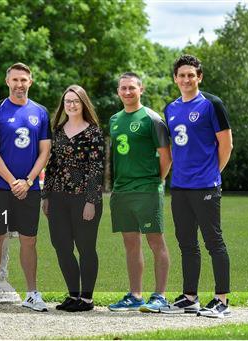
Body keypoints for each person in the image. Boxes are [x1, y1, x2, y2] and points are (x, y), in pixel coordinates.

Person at [160, 55, 233, 318]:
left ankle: (221, 300)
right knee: (187, 243)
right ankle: (190, 297)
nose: (187, 79)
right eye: (182, 75)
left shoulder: (212, 104)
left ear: (199, 77)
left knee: (214, 242)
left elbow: (226, 145)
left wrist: (212, 173)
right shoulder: (171, 108)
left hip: (205, 186)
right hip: (179, 186)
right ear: (175, 78)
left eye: (191, 75)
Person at [0, 62, 51, 311]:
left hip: (29, 188)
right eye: (15, 80)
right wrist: (12, 182)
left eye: (24, 80)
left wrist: (29, 181)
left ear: (30, 82)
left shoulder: (40, 112)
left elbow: (45, 151)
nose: (19, 85)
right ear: (7, 81)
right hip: (0, 187)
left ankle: (32, 293)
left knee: (29, 240)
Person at [107, 73, 172, 313]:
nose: (127, 92)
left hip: (146, 190)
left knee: (156, 242)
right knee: (131, 244)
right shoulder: (114, 119)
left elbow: (166, 157)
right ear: (118, 91)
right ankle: (135, 295)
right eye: (123, 88)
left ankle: (160, 296)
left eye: (132, 88)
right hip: (122, 190)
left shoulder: (152, 119)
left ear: (141, 89)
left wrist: (155, 182)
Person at [42, 85, 104, 312]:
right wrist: (46, 196)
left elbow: (96, 169)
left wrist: (91, 201)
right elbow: (52, 165)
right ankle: (73, 294)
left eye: (76, 101)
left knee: (86, 248)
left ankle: (86, 299)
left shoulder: (93, 132)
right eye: (67, 101)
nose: (71, 105)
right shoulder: (57, 130)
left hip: (83, 199)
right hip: (58, 197)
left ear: (83, 103)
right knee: (61, 246)